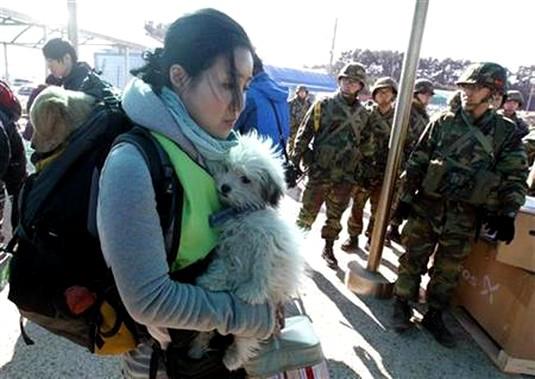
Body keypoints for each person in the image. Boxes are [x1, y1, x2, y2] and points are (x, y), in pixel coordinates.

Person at [96, 9, 279, 378]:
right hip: (166, 359)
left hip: (216, 347)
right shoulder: (132, 163)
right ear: (179, 77)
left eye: (245, 86)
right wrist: (253, 318)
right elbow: (150, 300)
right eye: (228, 84)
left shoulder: (221, 149)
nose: (240, 104)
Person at [391, 63, 528, 348]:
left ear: (493, 92)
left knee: (449, 267)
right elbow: (418, 161)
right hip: (429, 205)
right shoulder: (443, 121)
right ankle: (402, 302)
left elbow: (515, 176)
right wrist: (403, 201)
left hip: (466, 214)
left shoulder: (505, 132)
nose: (467, 92)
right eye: (465, 87)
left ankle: (435, 314)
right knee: (413, 256)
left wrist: (508, 213)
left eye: (475, 87)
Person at [289, 62, 370, 269]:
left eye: (355, 82)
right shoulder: (323, 104)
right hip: (320, 171)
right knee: (307, 213)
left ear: (361, 86)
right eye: (347, 80)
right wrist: (294, 161)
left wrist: (364, 170)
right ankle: (292, 250)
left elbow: (367, 144)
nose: (350, 85)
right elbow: (305, 134)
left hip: (346, 175)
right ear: (340, 81)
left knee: (336, 215)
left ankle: (329, 247)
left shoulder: (363, 114)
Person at [341, 77, 398, 251]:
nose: (383, 94)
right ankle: (353, 236)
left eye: (387, 91)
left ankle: (372, 236)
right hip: (364, 169)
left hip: (386, 172)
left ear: (394, 95)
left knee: (379, 209)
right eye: (380, 91)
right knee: (358, 204)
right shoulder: (365, 113)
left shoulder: (400, 119)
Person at [385, 78, 434, 245]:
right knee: (392, 198)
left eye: (429, 95)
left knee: (403, 198)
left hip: (413, 162)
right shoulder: (407, 111)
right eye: (424, 94)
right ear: (415, 93)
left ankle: (393, 228)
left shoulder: (424, 114)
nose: (427, 97)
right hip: (402, 160)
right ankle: (382, 231)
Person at [234, 54, 289, 152]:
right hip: (278, 159)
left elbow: (228, 133)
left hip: (253, 161)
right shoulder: (281, 94)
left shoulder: (249, 95)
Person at [42, 38, 118, 101]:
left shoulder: (81, 84)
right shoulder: (76, 78)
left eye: (51, 60)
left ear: (67, 58)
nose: (49, 66)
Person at [0, 80, 27, 230]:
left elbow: (3, 149)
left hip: (11, 162)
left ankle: (18, 241)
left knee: (17, 200)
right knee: (18, 199)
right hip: (14, 161)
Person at [287, 85, 312, 151]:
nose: (302, 93)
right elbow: (288, 116)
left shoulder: (309, 104)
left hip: (305, 130)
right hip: (294, 130)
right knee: (292, 148)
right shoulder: (291, 103)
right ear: (297, 93)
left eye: (304, 92)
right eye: (301, 92)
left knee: (303, 148)